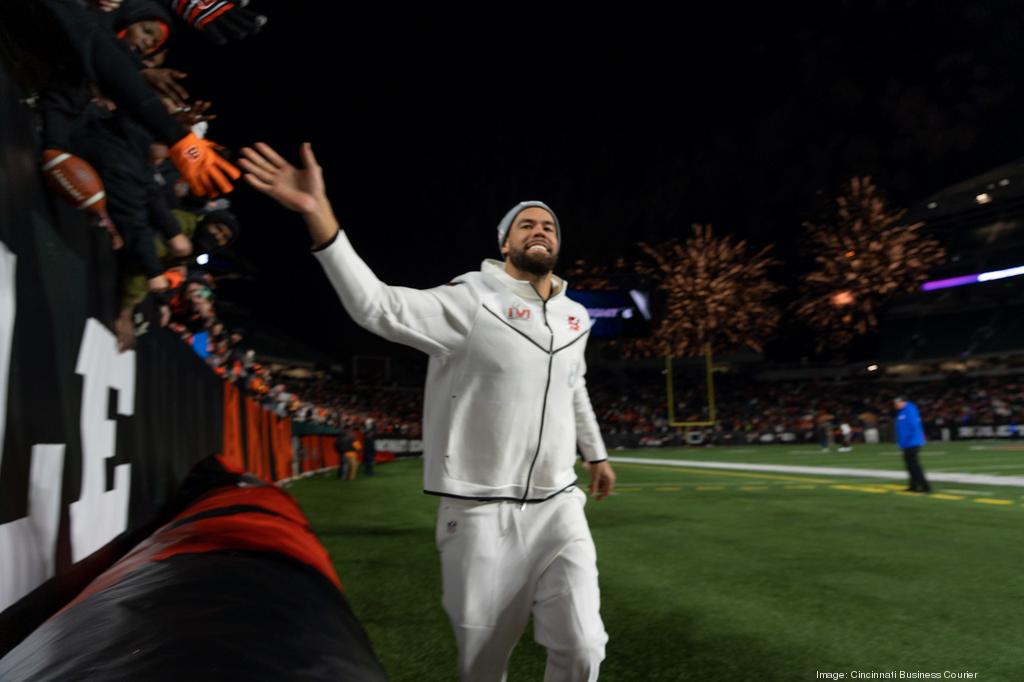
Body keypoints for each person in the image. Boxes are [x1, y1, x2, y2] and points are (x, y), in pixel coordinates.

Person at [240, 141, 615, 682]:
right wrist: (318, 215)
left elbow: (573, 386)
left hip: (559, 505)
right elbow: (378, 307)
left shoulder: (576, 316)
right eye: (527, 225)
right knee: (483, 667)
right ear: (504, 241)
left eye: (550, 227)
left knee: (583, 649)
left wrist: (596, 455)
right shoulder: (469, 301)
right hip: (481, 512)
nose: (540, 231)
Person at [894, 397, 930, 493]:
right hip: (907, 443)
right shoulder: (902, 411)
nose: (896, 405)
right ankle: (913, 486)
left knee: (914, 466)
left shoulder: (909, 410)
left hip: (912, 442)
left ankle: (925, 487)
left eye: (898, 403)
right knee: (910, 465)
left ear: (903, 402)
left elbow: (913, 426)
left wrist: (906, 441)